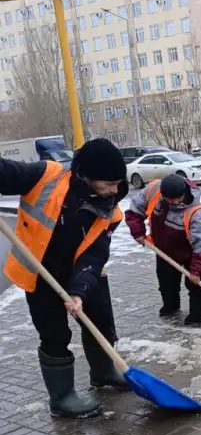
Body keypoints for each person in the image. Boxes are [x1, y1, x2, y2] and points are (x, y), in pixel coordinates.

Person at [0, 138, 129, 418]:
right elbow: (5, 173)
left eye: (118, 182)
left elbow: (94, 255)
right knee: (55, 334)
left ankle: (104, 372)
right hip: (41, 273)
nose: (115, 189)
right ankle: (62, 397)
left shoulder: (111, 209)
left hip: (83, 271)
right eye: (108, 183)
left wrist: (79, 291)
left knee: (101, 322)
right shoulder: (45, 176)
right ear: (86, 175)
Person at [125, 173, 201, 325]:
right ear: (163, 194)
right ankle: (171, 307)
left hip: (191, 252)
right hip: (164, 248)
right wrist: (137, 231)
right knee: (166, 283)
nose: (175, 202)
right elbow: (136, 209)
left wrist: (197, 270)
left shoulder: (195, 212)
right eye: (170, 199)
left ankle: (197, 317)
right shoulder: (154, 189)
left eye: (178, 198)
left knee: (197, 286)